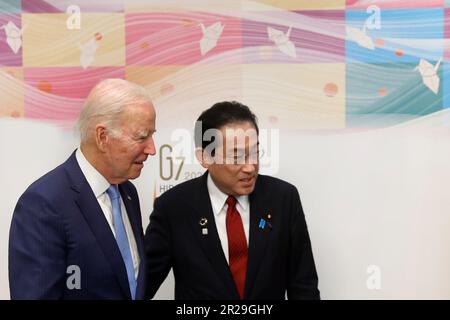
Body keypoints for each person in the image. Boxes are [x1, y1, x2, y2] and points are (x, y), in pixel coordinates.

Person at [144, 101, 319, 299]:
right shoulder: (173, 207)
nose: (250, 167)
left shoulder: (283, 198)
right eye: (236, 157)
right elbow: (142, 286)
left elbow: (304, 286)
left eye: (254, 153)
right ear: (204, 158)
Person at [9, 78, 156, 299]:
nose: (152, 149)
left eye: (152, 135)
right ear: (102, 137)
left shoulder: (127, 192)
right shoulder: (43, 204)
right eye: (142, 137)